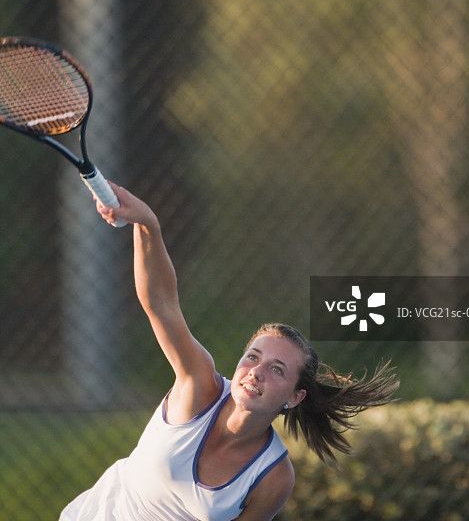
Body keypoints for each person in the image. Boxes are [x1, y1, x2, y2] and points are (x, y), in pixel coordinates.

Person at [59, 184, 399, 521]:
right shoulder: (199, 387)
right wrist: (148, 224)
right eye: (253, 357)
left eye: (277, 369)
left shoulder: (273, 477)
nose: (256, 371)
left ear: (295, 397)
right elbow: (161, 304)